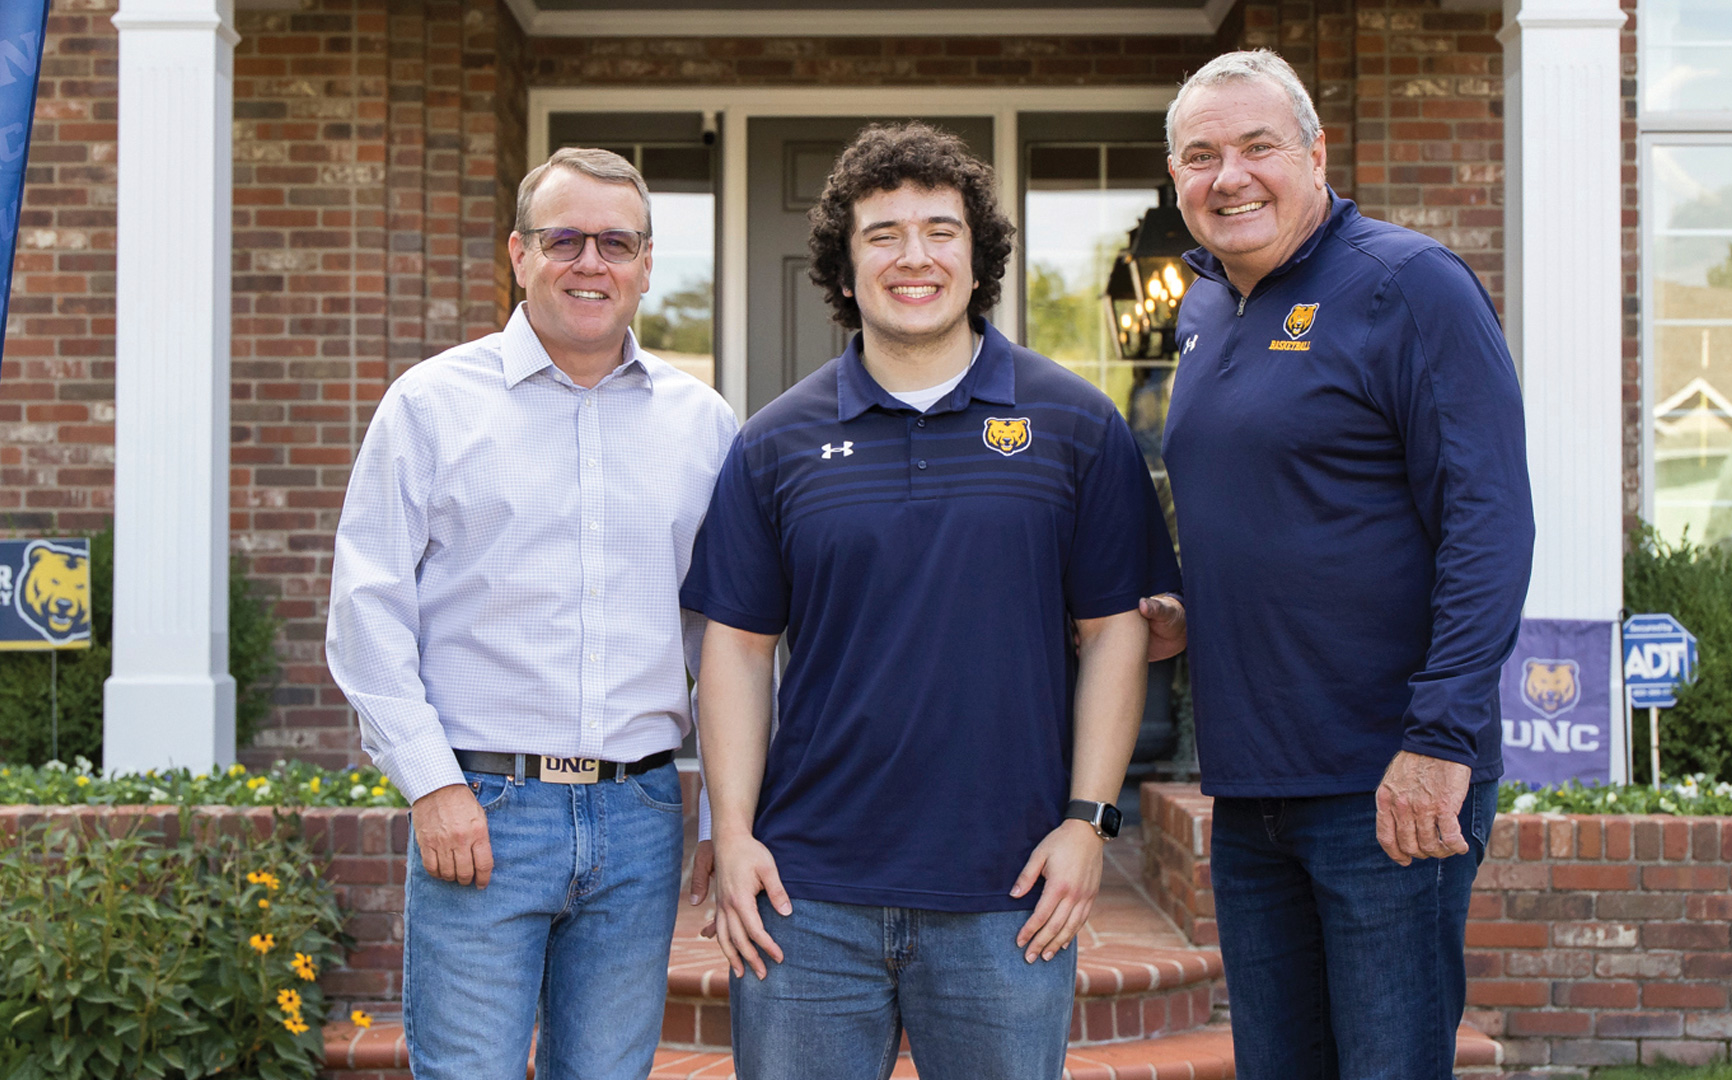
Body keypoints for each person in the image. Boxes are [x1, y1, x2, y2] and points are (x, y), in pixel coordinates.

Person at [680, 122, 1181, 1080]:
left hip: (1011, 891)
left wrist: (1089, 822)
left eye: (941, 230)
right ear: (845, 261)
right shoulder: (775, 443)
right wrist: (733, 835)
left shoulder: (1074, 424)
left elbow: (1116, 632)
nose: (915, 257)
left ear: (978, 253)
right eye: (884, 234)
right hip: (805, 896)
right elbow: (737, 649)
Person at [1154, 50, 1534, 1079]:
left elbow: (1489, 523)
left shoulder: (1408, 286)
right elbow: (1276, 513)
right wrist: (1181, 607)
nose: (1228, 176)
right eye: (1200, 156)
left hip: (1389, 778)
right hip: (1250, 781)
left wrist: (1439, 740)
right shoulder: (1202, 311)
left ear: (1316, 154)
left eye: (1256, 147)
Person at [325, 147, 737, 1080]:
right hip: (483, 809)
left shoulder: (703, 425)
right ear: (518, 253)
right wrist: (432, 787)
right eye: (565, 239)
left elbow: (726, 640)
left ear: (644, 263)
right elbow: (367, 611)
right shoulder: (429, 407)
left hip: (638, 813)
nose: (591, 262)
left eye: (616, 243)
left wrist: (721, 810)